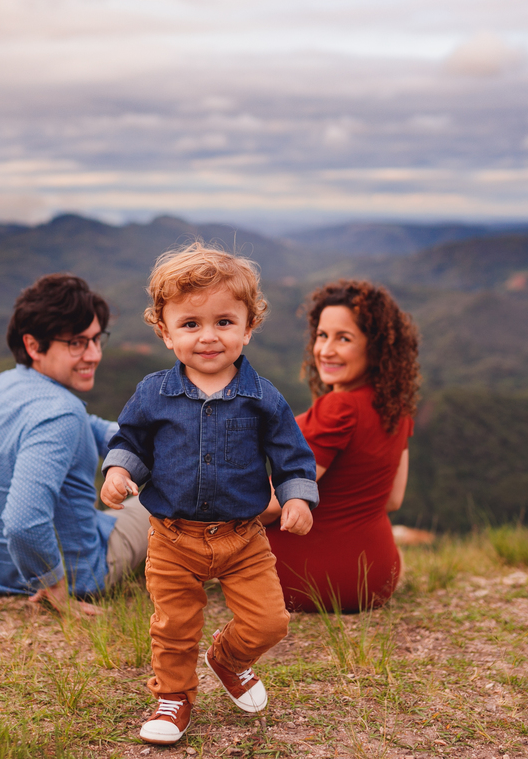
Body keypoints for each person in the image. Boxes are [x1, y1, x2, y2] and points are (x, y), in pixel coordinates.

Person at [100, 243, 318, 745]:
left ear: (248, 326)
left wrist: (298, 498)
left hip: (244, 539)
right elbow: (130, 441)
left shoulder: (264, 399)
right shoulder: (153, 393)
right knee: (173, 626)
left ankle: (229, 657)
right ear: (165, 331)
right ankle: (173, 699)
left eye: (224, 321)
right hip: (173, 537)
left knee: (270, 623)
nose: (208, 336)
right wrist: (117, 472)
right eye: (191, 324)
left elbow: (292, 456)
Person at [0, 273, 150, 616]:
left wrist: (167, 440)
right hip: (80, 572)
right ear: (34, 345)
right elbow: (22, 522)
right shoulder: (61, 414)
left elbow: (95, 429)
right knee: (168, 500)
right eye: (77, 343)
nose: (93, 355)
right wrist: (53, 585)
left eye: (96, 340)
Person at [265, 280, 420, 613]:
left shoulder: (339, 408)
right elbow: (393, 499)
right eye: (322, 335)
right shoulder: (395, 408)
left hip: (305, 576)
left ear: (375, 348)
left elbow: (275, 504)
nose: (325, 350)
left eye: (344, 339)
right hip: (376, 579)